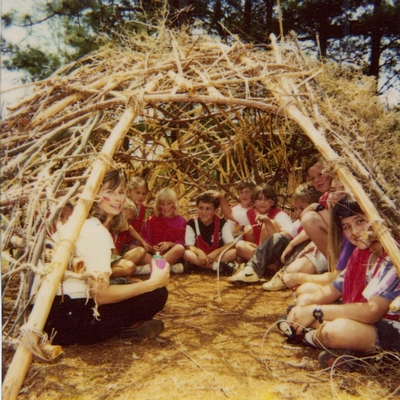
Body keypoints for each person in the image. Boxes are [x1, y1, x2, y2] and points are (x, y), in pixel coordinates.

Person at [42, 170, 169, 346]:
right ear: (94, 196)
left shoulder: (78, 224)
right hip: (68, 322)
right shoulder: (96, 232)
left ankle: (131, 325)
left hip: (48, 316)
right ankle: (129, 325)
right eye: (109, 192)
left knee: (128, 288)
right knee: (156, 294)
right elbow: (99, 295)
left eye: (121, 192)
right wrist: (151, 283)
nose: (117, 198)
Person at [277, 196, 400, 369]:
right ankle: (347, 351)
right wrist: (305, 304)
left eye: (360, 221)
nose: (355, 231)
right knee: (305, 294)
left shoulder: (394, 259)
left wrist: (314, 311)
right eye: (347, 227)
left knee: (334, 331)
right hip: (362, 318)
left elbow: (372, 312)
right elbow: (334, 289)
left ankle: (304, 336)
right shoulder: (362, 253)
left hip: (390, 330)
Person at [227, 183, 320, 284]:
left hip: (305, 256)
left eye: (302, 209)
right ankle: (252, 269)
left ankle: (281, 272)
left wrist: (269, 224)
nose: (298, 213)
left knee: (300, 243)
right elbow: (282, 236)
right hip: (284, 254)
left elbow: (307, 234)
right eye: (295, 209)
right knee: (247, 243)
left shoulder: (315, 218)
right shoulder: (298, 222)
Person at [282, 178, 355, 294]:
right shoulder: (343, 223)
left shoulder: (353, 229)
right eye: (333, 190)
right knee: (298, 280)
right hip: (340, 267)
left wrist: (298, 278)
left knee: (303, 289)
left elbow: (339, 276)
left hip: (348, 281)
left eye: (343, 189)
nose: (336, 195)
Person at [184, 193, 237, 275]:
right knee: (186, 254)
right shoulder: (192, 223)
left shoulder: (222, 223)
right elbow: (189, 245)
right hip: (199, 256)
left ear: (215, 210)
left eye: (208, 209)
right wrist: (198, 252)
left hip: (215, 257)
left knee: (234, 252)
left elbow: (231, 243)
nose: (204, 212)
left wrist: (216, 252)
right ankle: (216, 267)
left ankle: (199, 266)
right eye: (201, 208)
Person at [141, 188, 186, 273]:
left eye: (169, 203)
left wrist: (170, 244)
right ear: (158, 206)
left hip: (172, 255)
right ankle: (169, 267)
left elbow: (182, 241)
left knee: (180, 249)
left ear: (175, 204)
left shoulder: (181, 221)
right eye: (162, 204)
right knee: (141, 254)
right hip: (154, 255)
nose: (166, 207)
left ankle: (150, 268)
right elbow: (145, 238)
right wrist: (151, 248)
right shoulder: (152, 219)